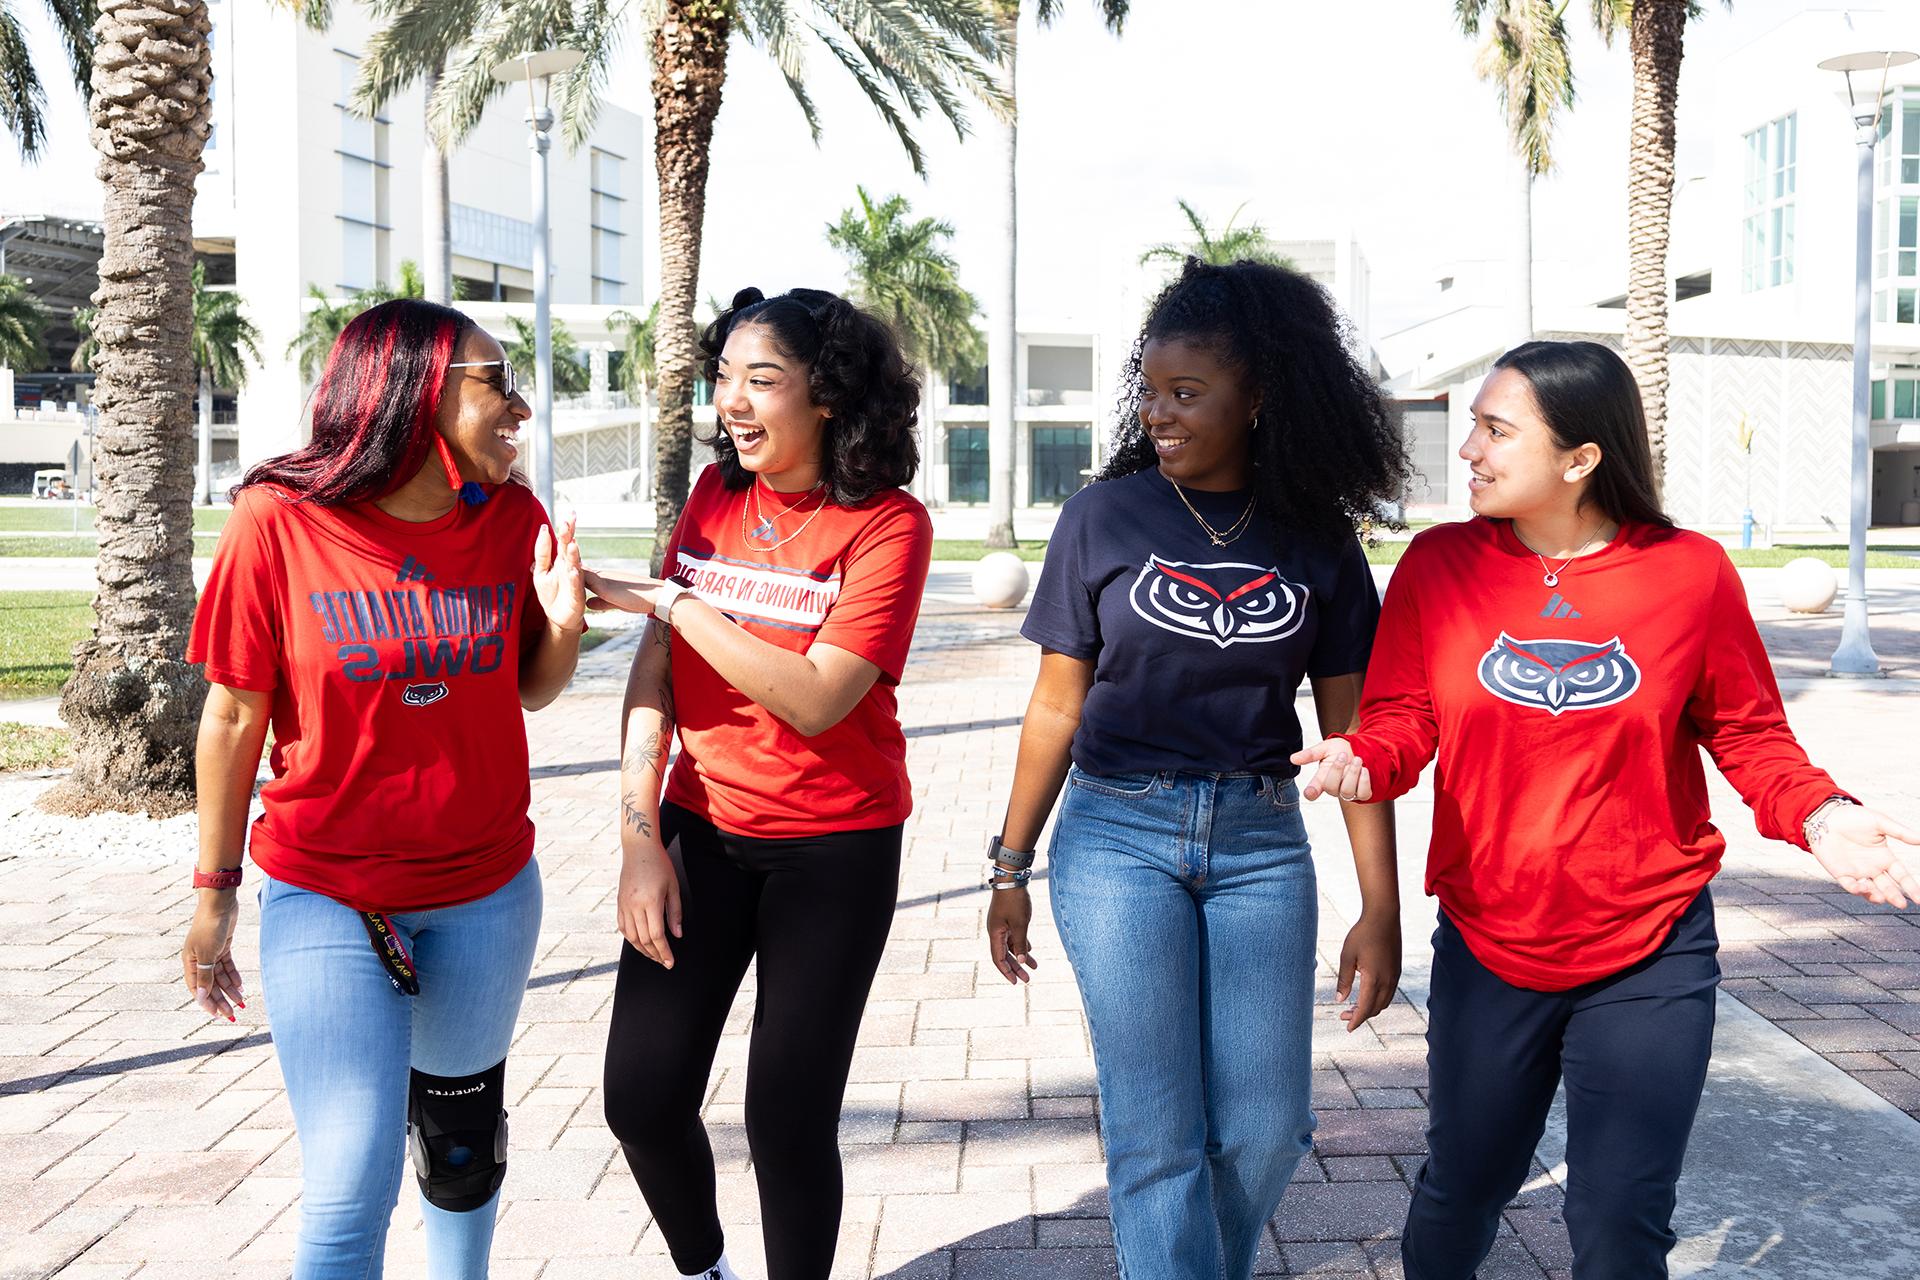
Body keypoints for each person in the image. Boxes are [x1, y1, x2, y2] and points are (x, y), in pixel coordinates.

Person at [1292, 340, 1920, 1280]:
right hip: (1489, 938)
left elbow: (1749, 737)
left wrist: (1824, 817)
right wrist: (1362, 760)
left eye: (1497, 430)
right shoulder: (1438, 565)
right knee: (1466, 1184)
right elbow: (1403, 717)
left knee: (1621, 1217)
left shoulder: (1690, 573)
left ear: (1581, 458)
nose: (1468, 449)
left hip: (1651, 947)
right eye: (1473, 425)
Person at [984, 257, 1411, 1280]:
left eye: (1188, 394)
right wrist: (1008, 865)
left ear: (1258, 398)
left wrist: (1381, 904)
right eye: (1152, 392)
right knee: (1158, 1132)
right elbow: (1056, 701)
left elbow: (1353, 738)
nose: (1161, 414)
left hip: (1261, 837)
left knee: (1267, 1126)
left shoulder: (1317, 540)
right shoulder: (1104, 516)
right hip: (1116, 837)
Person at [179, 299, 587, 1280]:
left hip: (486, 890)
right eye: (496, 381)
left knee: (459, 1147)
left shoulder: (510, 518)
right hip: (330, 889)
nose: (520, 406)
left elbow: (525, 683)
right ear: (418, 391)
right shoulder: (275, 521)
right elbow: (232, 717)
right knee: (352, 1174)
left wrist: (565, 627)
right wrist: (212, 892)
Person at [580, 286, 933, 1280]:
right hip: (702, 821)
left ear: (826, 395)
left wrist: (677, 603)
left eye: (760, 379)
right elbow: (653, 670)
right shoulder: (713, 496)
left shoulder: (888, 527)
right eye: (724, 375)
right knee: (640, 1096)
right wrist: (639, 838)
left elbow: (819, 697)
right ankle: (704, 1268)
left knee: (786, 1117)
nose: (732, 400)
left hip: (837, 847)